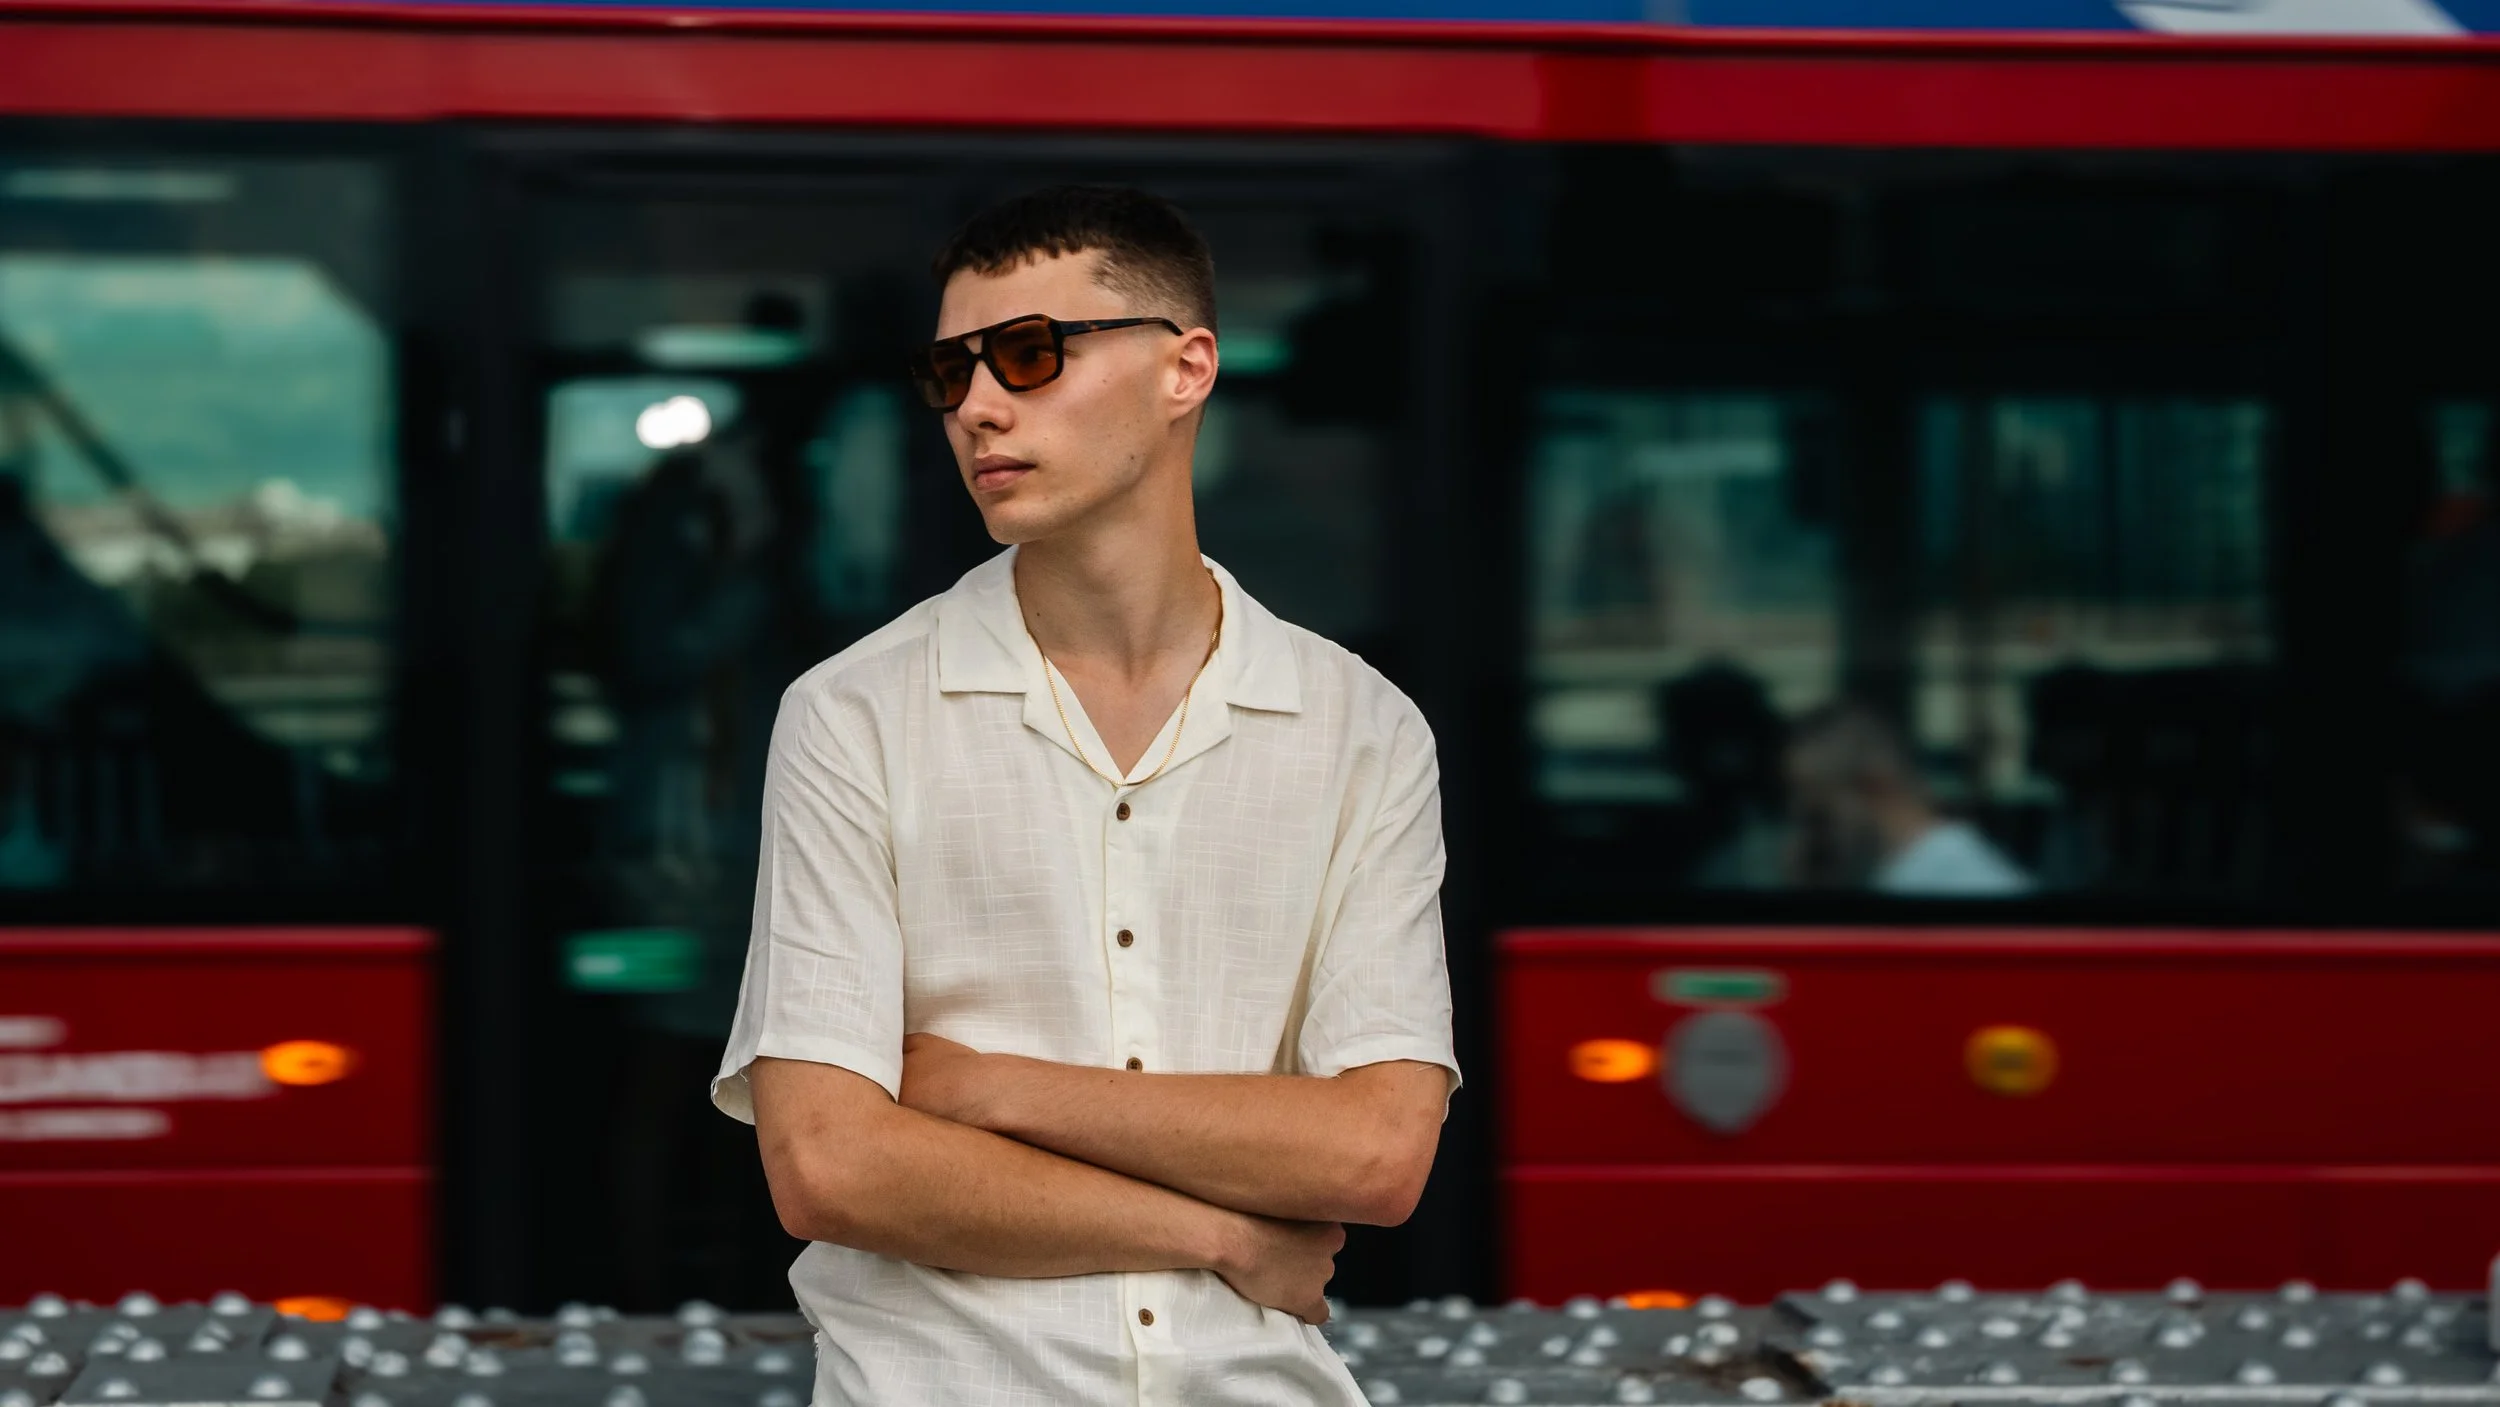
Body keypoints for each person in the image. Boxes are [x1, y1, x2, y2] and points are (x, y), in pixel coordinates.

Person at [708, 185, 1459, 1406]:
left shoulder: (1359, 727)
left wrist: (982, 1091)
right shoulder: (852, 713)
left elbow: (1374, 1154)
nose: (978, 408)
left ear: (1185, 369)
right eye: (951, 373)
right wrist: (1222, 1232)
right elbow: (830, 1167)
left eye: (1028, 353)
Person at [1784, 701, 2031, 897]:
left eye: (1820, 805)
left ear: (1874, 783)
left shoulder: (1962, 880)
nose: (1813, 827)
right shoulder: (1904, 871)